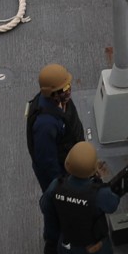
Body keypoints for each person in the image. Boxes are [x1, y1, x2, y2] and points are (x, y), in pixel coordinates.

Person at [41, 142, 120, 254]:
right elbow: (113, 204)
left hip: (67, 245)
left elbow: (45, 206)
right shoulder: (99, 194)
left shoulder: (56, 186)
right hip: (95, 249)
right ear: (93, 169)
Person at [27, 62, 85, 193]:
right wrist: (62, 187)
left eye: (69, 86)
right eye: (64, 89)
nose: (69, 91)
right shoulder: (45, 125)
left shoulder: (62, 100)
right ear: (51, 93)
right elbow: (47, 163)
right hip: (63, 175)